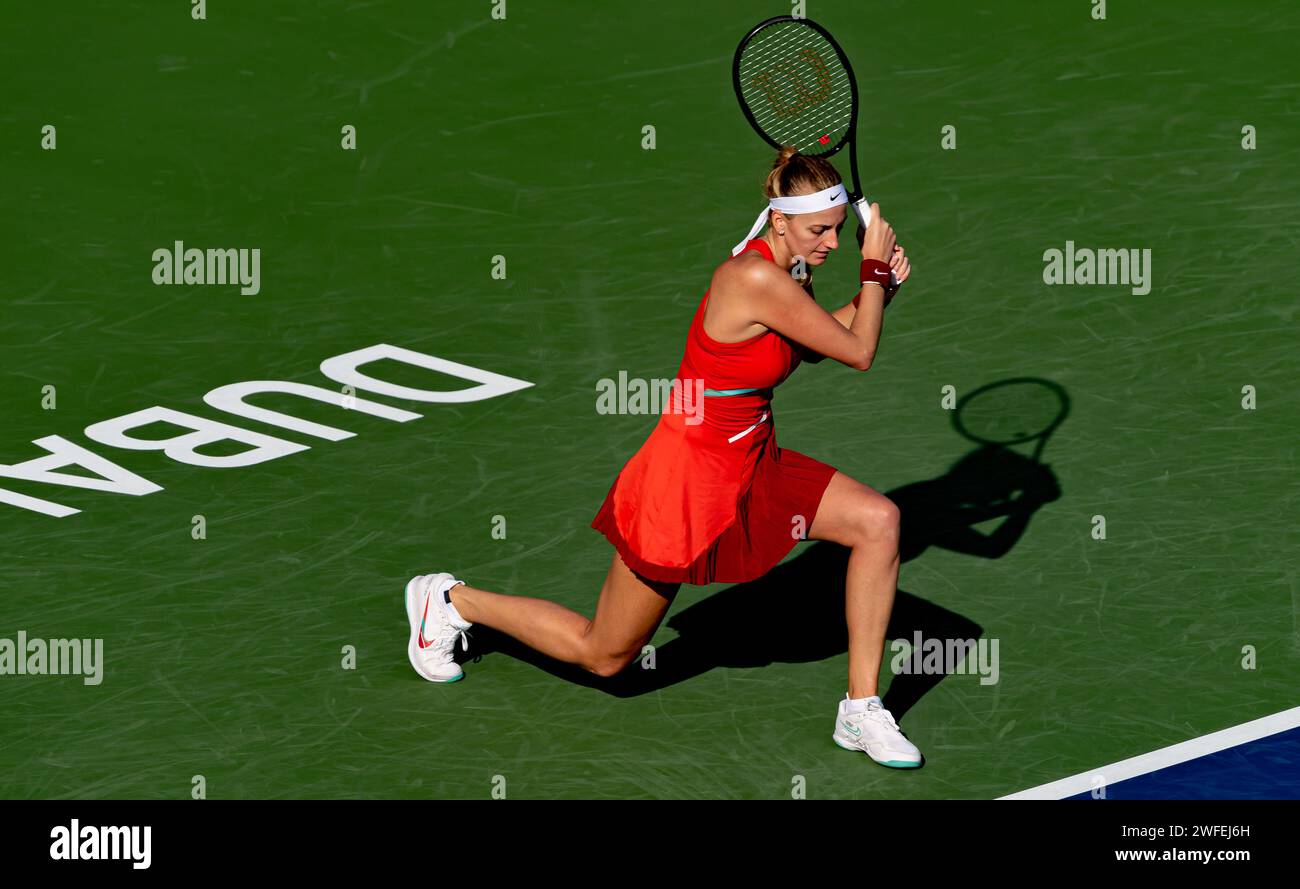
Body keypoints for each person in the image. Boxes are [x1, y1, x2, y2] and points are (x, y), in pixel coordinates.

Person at [405, 145, 921, 768]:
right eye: (821, 231)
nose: (834, 244)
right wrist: (873, 275)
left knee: (879, 522)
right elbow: (858, 353)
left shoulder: (789, 274)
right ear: (780, 222)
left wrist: (880, 291)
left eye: (840, 232)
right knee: (606, 656)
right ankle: (450, 601)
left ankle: (860, 711)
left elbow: (815, 346)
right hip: (688, 480)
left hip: (754, 461)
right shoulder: (754, 278)